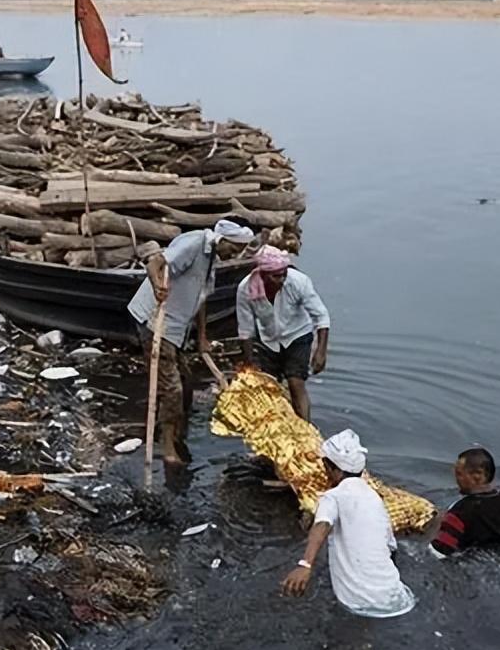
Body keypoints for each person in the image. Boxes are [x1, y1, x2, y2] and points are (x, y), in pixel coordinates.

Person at [128, 219, 256, 464]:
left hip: (178, 328)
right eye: (235, 248)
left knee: (186, 384)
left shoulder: (212, 259)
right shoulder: (194, 244)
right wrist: (158, 287)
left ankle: (177, 428)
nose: (235, 254)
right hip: (156, 322)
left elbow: (202, 297)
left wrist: (202, 337)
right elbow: (156, 263)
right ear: (224, 239)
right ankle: (167, 448)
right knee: (172, 389)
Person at [282, 429, 416, 618]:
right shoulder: (374, 498)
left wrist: (305, 564)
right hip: (397, 598)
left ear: (331, 468)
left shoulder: (333, 497)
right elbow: (390, 547)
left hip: (358, 602)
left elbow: (322, 524)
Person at [236, 246, 330, 420]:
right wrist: (248, 363)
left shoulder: (298, 282)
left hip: (297, 334)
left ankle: (305, 430)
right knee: (270, 388)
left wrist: (321, 351)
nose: (281, 280)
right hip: (268, 339)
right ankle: (280, 431)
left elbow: (321, 316)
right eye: (275, 276)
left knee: (296, 383)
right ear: (263, 275)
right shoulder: (246, 289)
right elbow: (246, 328)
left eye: (283, 275)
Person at [429, 448, 500, 558]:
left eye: (459, 473)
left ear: (477, 476)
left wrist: (435, 526)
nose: (456, 478)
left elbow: (440, 551)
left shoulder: (459, 513)